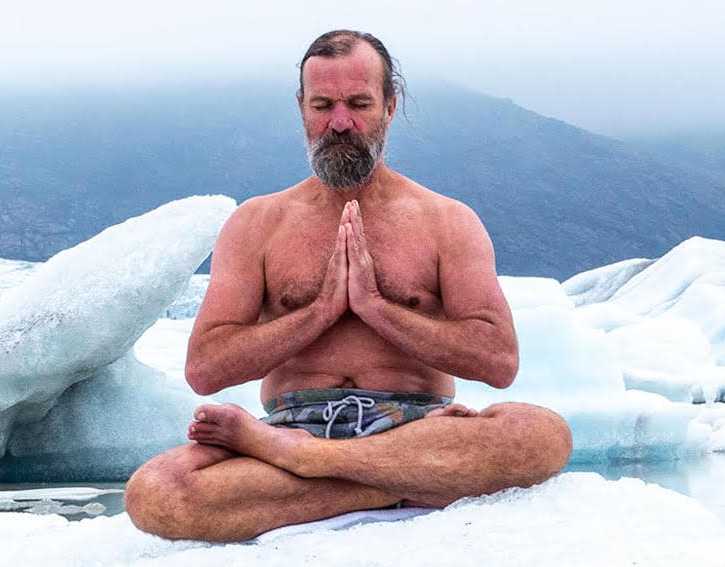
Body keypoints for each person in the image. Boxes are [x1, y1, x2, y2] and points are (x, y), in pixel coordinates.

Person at [124, 30, 573, 542]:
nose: (340, 123)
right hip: (296, 430)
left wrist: (378, 308)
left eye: (359, 104)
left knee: (542, 435)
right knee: (157, 492)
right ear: (301, 109)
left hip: (414, 430)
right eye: (323, 105)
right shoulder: (258, 224)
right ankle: (401, 484)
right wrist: (318, 312)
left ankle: (319, 465)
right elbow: (206, 369)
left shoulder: (447, 221)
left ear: (389, 106)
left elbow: (498, 361)